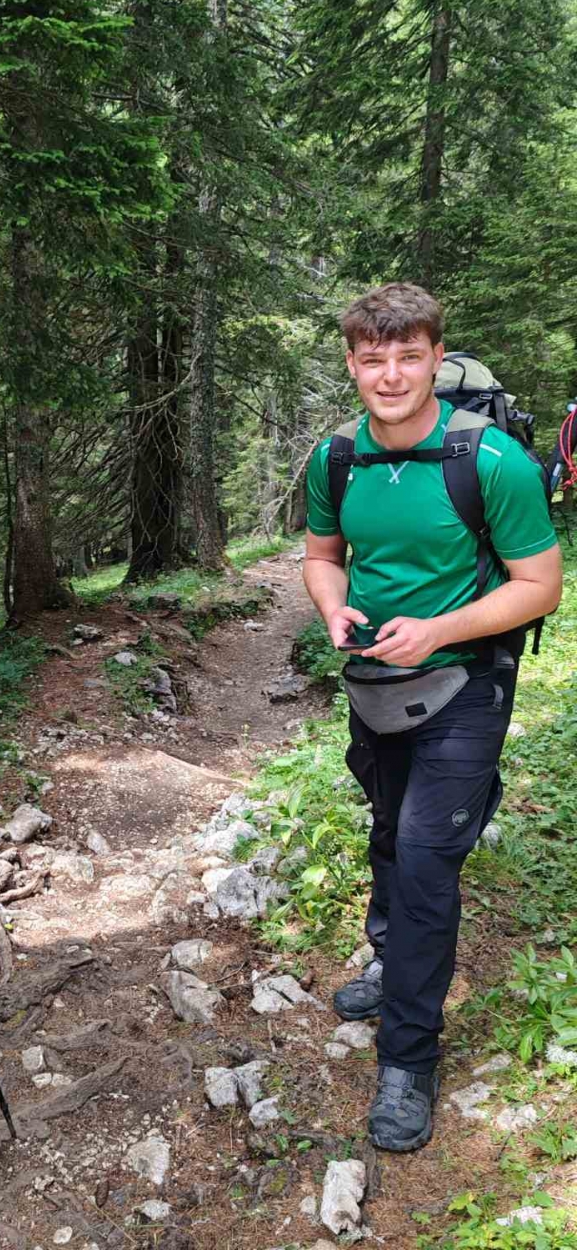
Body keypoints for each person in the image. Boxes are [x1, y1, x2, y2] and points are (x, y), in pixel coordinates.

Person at [303, 282, 562, 1152]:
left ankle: (408, 1058)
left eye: (408, 356)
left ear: (435, 358)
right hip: (377, 682)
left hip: (468, 683)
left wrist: (440, 629)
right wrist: (332, 606)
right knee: (388, 830)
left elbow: (540, 585)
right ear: (351, 363)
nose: (391, 375)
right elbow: (322, 555)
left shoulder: (491, 462)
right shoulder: (336, 458)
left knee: (422, 859)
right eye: (373, 358)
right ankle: (393, 958)